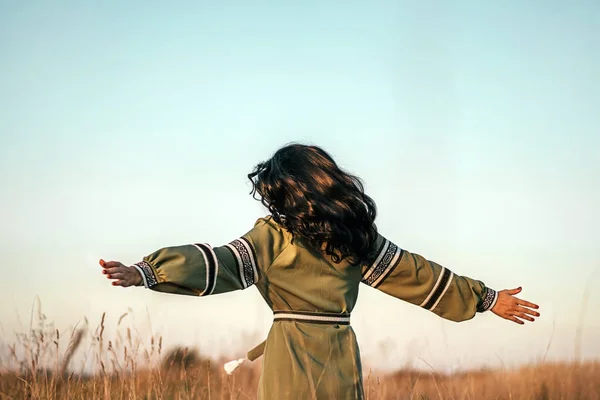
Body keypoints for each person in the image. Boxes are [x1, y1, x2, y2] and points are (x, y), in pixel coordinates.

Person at [99, 144, 540, 399]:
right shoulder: (353, 238)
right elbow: (416, 274)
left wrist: (148, 271)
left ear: (287, 191)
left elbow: (221, 263)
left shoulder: (280, 236)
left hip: (293, 356)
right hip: (338, 354)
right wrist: (484, 298)